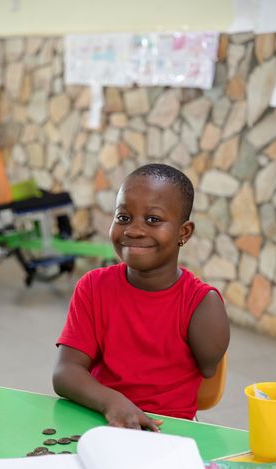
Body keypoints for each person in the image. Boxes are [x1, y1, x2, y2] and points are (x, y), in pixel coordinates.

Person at [53, 163, 230, 430]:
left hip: (167, 431)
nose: (134, 230)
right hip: (101, 419)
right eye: (123, 217)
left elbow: (208, 368)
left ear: (184, 233)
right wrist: (112, 402)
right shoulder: (92, 287)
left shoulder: (201, 303)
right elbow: (65, 373)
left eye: (153, 220)